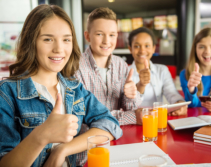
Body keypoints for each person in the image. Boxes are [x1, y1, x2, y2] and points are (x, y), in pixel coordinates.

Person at [0, 4, 122, 167]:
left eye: (66, 40)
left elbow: (110, 124)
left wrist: (63, 150)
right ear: (31, 42)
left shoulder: (74, 88)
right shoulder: (7, 93)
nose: (59, 49)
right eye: (48, 39)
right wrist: (41, 136)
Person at [74, 7, 141, 125]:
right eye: (100, 34)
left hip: (119, 136)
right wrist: (132, 117)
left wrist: (131, 96)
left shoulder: (121, 65)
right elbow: (86, 117)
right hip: (89, 139)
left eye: (112, 35)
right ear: (87, 36)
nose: (106, 41)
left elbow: (130, 108)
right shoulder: (75, 67)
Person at [127, 27, 187, 116]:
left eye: (147, 46)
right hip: (133, 121)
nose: (142, 50)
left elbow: (171, 92)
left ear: (154, 48)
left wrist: (180, 103)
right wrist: (141, 85)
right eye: (137, 46)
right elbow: (125, 104)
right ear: (130, 48)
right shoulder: (123, 72)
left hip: (157, 120)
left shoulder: (162, 70)